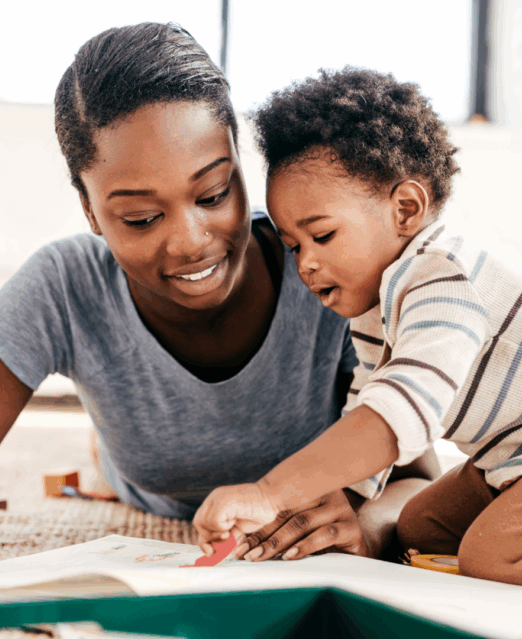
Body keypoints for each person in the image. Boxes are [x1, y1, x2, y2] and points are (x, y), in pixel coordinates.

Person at [0, 29, 437, 599]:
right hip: (143, 491)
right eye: (143, 218)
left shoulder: (329, 271)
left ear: (239, 164)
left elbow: (417, 479)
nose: (191, 242)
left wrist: (367, 524)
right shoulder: (64, 287)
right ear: (90, 210)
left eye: (215, 193)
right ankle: (103, 450)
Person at [192, 67, 522, 585]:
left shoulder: (443, 276)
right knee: (418, 529)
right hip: (506, 463)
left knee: (489, 557)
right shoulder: (377, 308)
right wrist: (334, 505)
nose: (305, 265)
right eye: (294, 246)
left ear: (406, 209)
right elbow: (368, 405)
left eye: (322, 235)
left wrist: (272, 492)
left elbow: (398, 414)